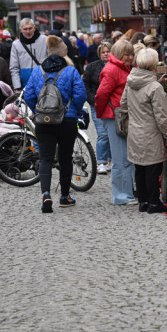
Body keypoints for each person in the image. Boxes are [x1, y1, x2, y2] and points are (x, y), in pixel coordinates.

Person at [23, 35, 87, 213]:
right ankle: (65, 196)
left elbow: (28, 96)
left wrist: (38, 111)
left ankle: (45, 194)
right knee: (66, 158)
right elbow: (81, 95)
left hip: (44, 121)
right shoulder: (71, 71)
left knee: (45, 158)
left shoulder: (37, 72)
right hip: (67, 120)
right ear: (63, 53)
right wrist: (74, 110)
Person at [121, 47, 167, 213]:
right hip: (151, 133)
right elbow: (161, 116)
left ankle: (143, 201)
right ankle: (153, 203)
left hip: (135, 131)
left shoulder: (130, 81)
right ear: (153, 65)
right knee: (153, 169)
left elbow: (123, 104)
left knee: (140, 168)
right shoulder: (154, 87)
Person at [95, 39, 137, 205]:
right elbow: (100, 95)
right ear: (119, 54)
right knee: (120, 159)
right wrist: (103, 115)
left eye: (131, 54)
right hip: (115, 117)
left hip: (120, 116)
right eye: (127, 54)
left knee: (126, 157)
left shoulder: (122, 67)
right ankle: (121, 196)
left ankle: (127, 192)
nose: (130, 57)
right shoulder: (112, 69)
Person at [83, 41, 113, 174]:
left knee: (112, 133)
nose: (106, 54)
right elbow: (85, 84)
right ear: (99, 54)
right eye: (103, 52)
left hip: (112, 104)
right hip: (96, 103)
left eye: (108, 51)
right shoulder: (92, 67)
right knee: (102, 134)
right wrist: (91, 99)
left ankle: (111, 160)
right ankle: (101, 161)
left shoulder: (116, 66)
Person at [9, 18, 47, 90]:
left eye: (30, 28)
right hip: (25, 85)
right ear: (21, 30)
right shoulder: (16, 44)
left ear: (34, 28)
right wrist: (17, 87)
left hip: (44, 82)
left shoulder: (45, 40)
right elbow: (14, 68)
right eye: (25, 29)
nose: (28, 31)